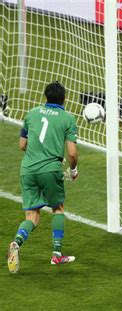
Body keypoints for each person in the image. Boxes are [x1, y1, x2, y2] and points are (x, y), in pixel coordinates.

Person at [7, 81, 79, 273]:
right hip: (50, 169)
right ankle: (57, 255)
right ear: (64, 98)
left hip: (28, 169)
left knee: (32, 216)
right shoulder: (67, 118)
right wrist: (73, 170)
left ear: (45, 97)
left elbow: (22, 145)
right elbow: (71, 153)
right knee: (57, 208)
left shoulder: (31, 113)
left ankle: (17, 242)